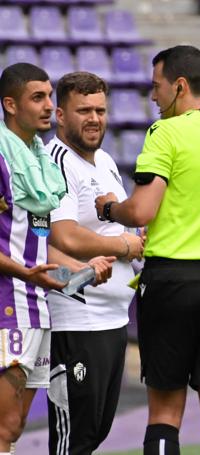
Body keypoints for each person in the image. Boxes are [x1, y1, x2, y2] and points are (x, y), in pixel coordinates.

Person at [94, 45, 200, 455]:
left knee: (165, 413)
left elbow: (142, 210)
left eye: (156, 86)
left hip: (172, 282)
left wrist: (110, 207)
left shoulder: (164, 133)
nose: (152, 96)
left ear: (179, 86)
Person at [0, 63, 113, 454]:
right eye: (38, 98)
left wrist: (74, 268)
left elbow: (38, 237)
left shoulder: (40, 163)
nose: (49, 106)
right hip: (7, 302)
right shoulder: (3, 158)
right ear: (10, 105)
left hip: (38, 304)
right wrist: (26, 273)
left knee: (13, 427)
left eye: (50, 96)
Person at [44, 71, 145, 454]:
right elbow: (64, 236)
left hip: (114, 319)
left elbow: (118, 230)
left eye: (100, 110)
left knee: (95, 433)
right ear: (60, 115)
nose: (94, 118)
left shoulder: (104, 161)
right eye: (83, 110)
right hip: (77, 319)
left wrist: (136, 242)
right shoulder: (55, 162)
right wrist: (124, 245)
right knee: (73, 439)